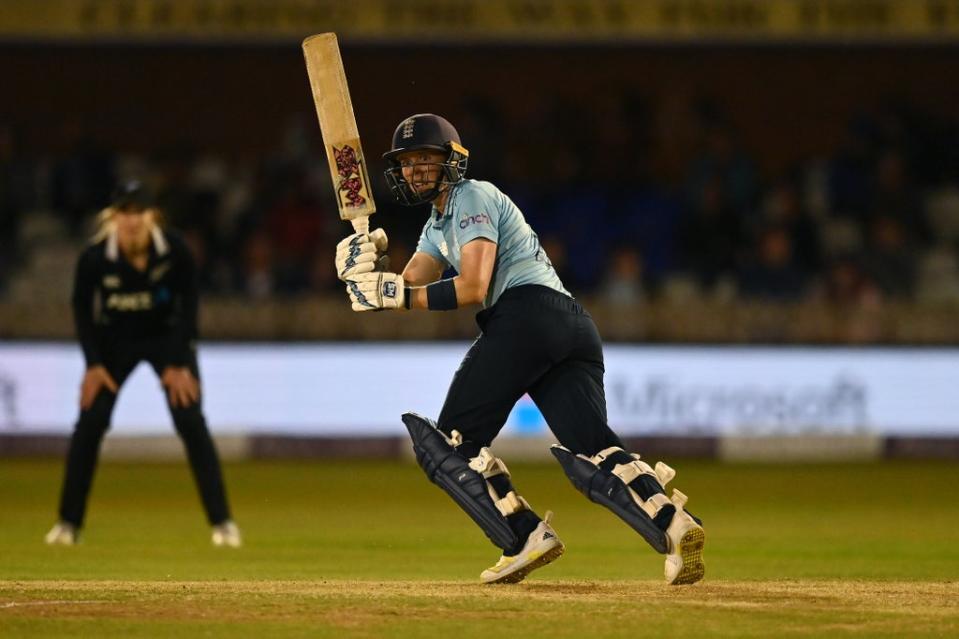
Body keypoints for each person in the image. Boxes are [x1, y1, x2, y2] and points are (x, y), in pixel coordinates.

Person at [335, 114, 705, 585]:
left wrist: (395, 294)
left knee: (449, 448)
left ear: (453, 160)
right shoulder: (436, 226)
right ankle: (673, 524)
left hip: (527, 317)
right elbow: (407, 288)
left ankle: (523, 537)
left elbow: (471, 286)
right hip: (569, 328)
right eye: (408, 163)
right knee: (595, 451)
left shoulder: (473, 195)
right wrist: (364, 270)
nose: (416, 170)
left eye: (427, 159)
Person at [44, 180, 240, 548]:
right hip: (113, 343)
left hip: (168, 340)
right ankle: (68, 525)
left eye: (138, 213)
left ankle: (223, 524)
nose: (131, 222)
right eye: (124, 213)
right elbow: (82, 312)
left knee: (190, 419)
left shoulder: (176, 251)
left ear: (152, 217)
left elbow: (189, 309)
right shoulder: (96, 257)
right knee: (90, 422)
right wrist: (93, 364)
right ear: (112, 217)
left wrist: (180, 361)